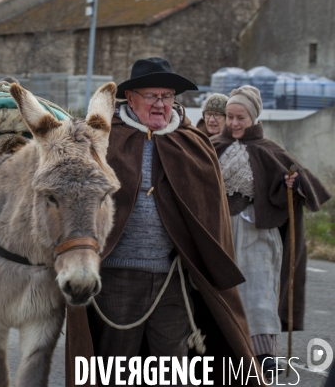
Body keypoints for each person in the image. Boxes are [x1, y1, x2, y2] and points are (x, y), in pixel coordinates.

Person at [66, 57, 261, 386]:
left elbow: (209, 214)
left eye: (168, 96)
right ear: (131, 99)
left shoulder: (192, 143)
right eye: (152, 96)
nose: (161, 104)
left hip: (173, 279)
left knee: (172, 372)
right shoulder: (101, 142)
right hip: (116, 278)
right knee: (116, 370)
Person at [211, 86, 331, 375]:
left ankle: (262, 354)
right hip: (219, 231)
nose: (235, 123)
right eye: (230, 117)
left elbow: (282, 197)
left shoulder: (270, 150)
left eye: (241, 117)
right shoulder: (212, 146)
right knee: (221, 291)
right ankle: (221, 349)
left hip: (257, 235)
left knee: (258, 292)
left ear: (253, 118)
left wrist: (291, 186)